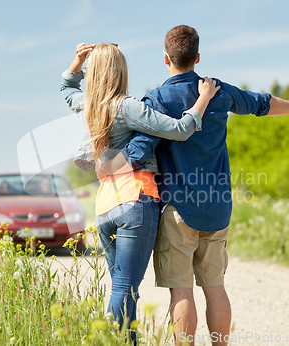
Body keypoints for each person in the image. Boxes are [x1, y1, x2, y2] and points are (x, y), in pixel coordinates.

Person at [110, 25, 289, 346]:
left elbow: (139, 151)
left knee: (181, 290)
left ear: (165, 59)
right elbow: (262, 103)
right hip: (219, 209)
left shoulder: (157, 99)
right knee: (215, 287)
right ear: (197, 57)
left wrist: (107, 163)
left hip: (178, 210)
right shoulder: (218, 91)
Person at [60, 42, 220, 342]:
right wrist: (203, 99)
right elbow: (181, 129)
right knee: (125, 288)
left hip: (105, 205)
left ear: (93, 73)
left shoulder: (89, 105)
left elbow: (66, 89)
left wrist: (77, 60)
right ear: (121, 72)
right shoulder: (127, 107)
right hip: (135, 199)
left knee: (121, 286)